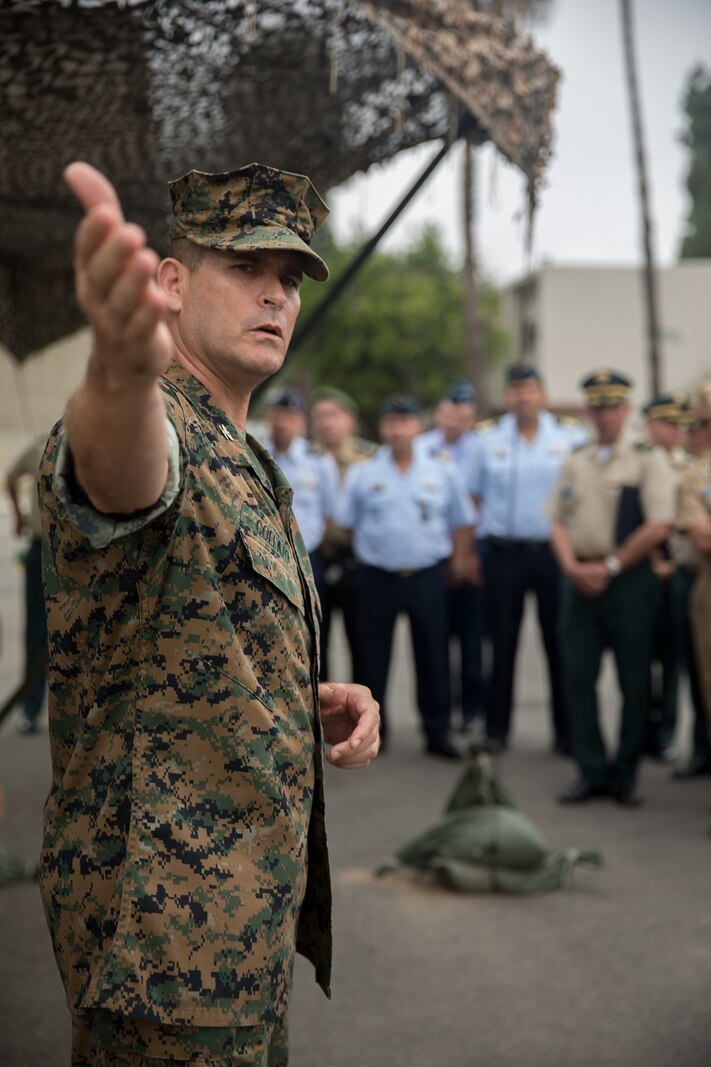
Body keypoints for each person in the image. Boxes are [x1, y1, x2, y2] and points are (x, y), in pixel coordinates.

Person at [37, 161, 380, 1067]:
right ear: (172, 283)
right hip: (162, 953)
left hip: (240, 930)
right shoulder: (159, 422)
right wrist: (118, 371)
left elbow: (193, 636)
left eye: (290, 278)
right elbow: (117, 469)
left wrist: (303, 697)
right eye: (245, 266)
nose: (274, 294)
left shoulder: (243, 452)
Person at [550, 369, 674, 807]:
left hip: (629, 582)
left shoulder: (646, 458)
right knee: (577, 677)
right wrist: (571, 568)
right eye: (598, 407)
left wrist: (612, 565)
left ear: (626, 409)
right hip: (580, 580)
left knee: (634, 680)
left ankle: (625, 773)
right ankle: (591, 770)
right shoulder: (576, 458)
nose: (605, 415)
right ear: (589, 410)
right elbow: (557, 520)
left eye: (613, 407)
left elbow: (659, 525)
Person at [337, 394, 476, 759]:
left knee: (433, 654)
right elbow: (347, 523)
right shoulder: (364, 471)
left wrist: (459, 562)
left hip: (426, 576)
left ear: (417, 426)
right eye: (392, 422)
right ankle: (372, 733)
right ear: (383, 428)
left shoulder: (442, 469)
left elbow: (462, 521)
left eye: (405, 421)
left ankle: (437, 732)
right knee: (372, 658)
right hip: (377, 577)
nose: (398, 429)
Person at [464, 364, 587, 755]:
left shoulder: (570, 437)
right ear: (507, 397)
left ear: (543, 395)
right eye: (516, 390)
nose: (524, 397)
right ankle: (496, 729)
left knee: (559, 643)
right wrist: (470, 552)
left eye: (531, 389)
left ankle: (567, 731)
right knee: (502, 645)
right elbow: (473, 498)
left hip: (553, 554)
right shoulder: (487, 439)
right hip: (504, 554)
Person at [417, 381, 484, 733]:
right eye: (451, 414)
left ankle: (471, 709)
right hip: (432, 556)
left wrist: (469, 554)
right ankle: (439, 708)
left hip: (473, 553)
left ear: (473, 419)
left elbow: (483, 503)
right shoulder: (420, 447)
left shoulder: (483, 448)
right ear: (440, 414)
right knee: (435, 636)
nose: (456, 421)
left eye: (464, 417)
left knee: (471, 636)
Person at [309, 386, 376, 680]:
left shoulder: (371, 458)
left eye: (333, 415)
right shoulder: (305, 457)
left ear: (351, 419)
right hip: (316, 559)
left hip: (356, 559)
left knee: (363, 643)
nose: (327, 422)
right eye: (321, 416)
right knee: (316, 643)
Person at [641, 392, 693, 763]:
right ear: (651, 426)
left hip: (677, 567)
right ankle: (642, 729)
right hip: (643, 567)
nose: (676, 430)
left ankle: (666, 733)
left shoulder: (690, 465)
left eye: (680, 424)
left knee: (673, 658)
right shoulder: (640, 462)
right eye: (668, 423)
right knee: (640, 656)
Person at [258, 385, 339, 602]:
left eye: (291, 417)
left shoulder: (318, 460)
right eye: (279, 415)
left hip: (307, 557)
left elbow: (329, 514)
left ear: (303, 422)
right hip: (265, 556)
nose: (283, 423)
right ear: (269, 418)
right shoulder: (256, 454)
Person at [673, 403, 711, 779]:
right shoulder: (694, 474)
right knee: (701, 676)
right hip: (697, 577)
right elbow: (701, 538)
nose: (694, 433)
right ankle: (703, 749)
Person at [5, 433, 49, 734]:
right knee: (36, 633)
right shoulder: (41, 446)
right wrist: (18, 517)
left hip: (79, 554)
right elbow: (10, 477)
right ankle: (31, 708)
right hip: (41, 548)